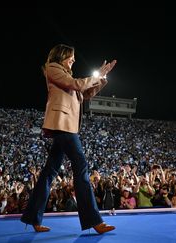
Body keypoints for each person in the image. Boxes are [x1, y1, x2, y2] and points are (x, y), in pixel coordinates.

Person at [20, 44, 117, 234]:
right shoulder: (53, 68)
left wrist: (102, 78)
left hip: (67, 126)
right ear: (61, 56)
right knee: (81, 166)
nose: (73, 60)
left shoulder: (68, 76)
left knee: (49, 172)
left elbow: (86, 93)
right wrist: (96, 75)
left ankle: (33, 218)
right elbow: (76, 85)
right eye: (71, 57)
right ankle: (93, 220)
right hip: (62, 125)